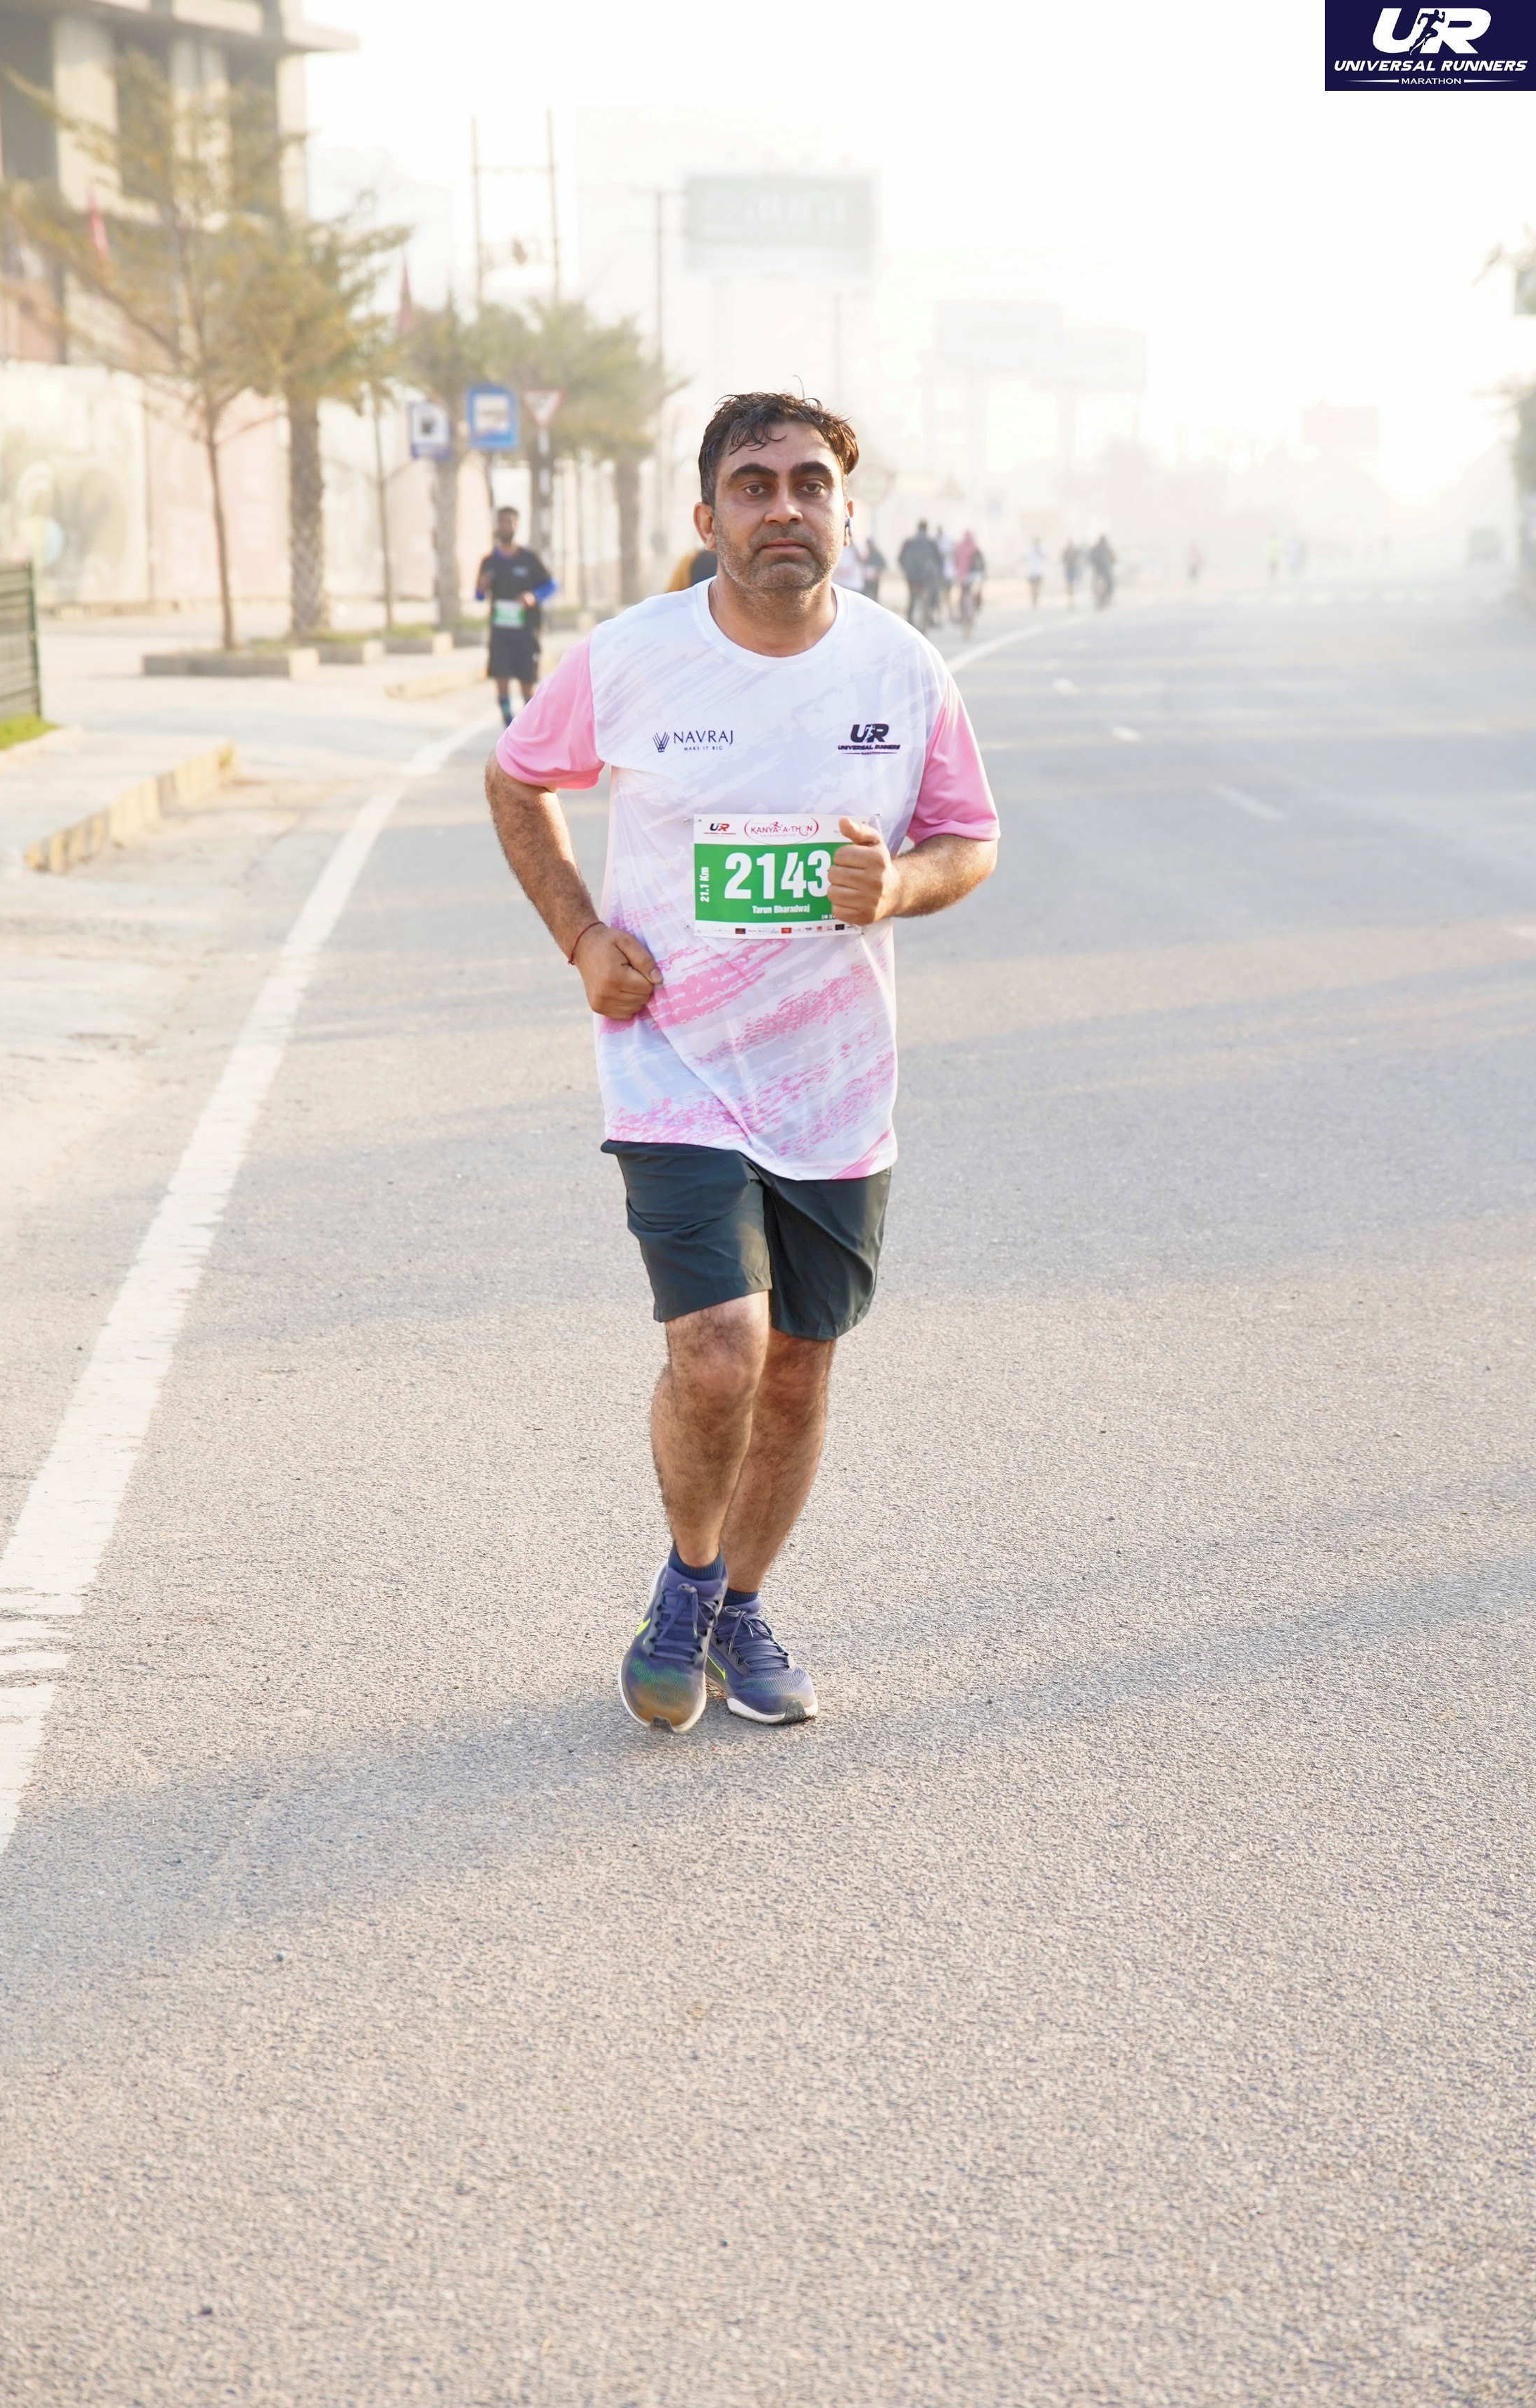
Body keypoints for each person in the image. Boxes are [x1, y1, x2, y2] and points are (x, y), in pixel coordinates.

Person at [485, 393, 998, 1733]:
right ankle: (691, 1582)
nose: (784, 507)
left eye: (809, 483)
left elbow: (970, 838)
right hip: (673, 1069)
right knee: (721, 1351)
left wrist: (899, 886)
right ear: (709, 515)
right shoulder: (633, 657)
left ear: (847, 513)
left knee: (800, 1368)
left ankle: (737, 1610)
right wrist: (582, 936)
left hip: (835, 1087)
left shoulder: (902, 670)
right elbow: (517, 778)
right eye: (755, 484)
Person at [475, 506, 555, 725]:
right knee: (501, 681)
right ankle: (508, 725)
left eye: (510, 522)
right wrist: (482, 588)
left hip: (526, 633)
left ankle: (529, 727)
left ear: (516, 526)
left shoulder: (529, 559)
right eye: (502, 522)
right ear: (497, 526)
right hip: (500, 634)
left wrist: (533, 596)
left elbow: (551, 585)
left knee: (527, 685)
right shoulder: (489, 562)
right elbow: (479, 596)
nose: (506, 526)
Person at [898, 519, 941, 632]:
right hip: (926, 578)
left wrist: (906, 570)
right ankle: (931, 614)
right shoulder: (931, 543)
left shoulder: (909, 542)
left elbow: (900, 559)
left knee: (912, 599)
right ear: (927, 529)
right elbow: (939, 561)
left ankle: (909, 623)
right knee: (932, 596)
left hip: (912, 577)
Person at [958, 539, 986, 637]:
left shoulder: (961, 549)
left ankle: (964, 612)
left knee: (965, 597)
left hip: (964, 578)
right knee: (973, 598)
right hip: (974, 578)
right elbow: (982, 565)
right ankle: (974, 609)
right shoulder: (975, 550)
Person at [1088, 532, 1116, 609]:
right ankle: (1106, 597)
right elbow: (1113, 558)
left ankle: (1099, 598)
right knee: (1110, 583)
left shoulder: (1096, 548)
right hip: (1104, 570)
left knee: (1096, 584)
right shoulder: (1107, 548)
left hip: (1098, 570)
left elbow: (1091, 558)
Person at [858, 533, 886, 603]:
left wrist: (877, 571)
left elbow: (883, 565)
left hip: (874, 580)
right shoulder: (865, 553)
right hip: (865, 580)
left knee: (874, 597)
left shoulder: (877, 554)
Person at [1024, 537, 1047, 610]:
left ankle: (1036, 600)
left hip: (1039, 572)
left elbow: (1044, 556)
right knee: (1032, 588)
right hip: (1031, 572)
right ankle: (1033, 600)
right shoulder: (1030, 550)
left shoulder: (1041, 549)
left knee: (1038, 588)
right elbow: (1025, 558)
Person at [1062, 540, 1083, 608]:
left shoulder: (1076, 551)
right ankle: (1070, 600)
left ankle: (1072, 600)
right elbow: (1063, 560)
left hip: (1074, 570)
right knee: (1069, 585)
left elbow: (1079, 560)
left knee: (1073, 585)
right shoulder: (1066, 552)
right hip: (1068, 570)